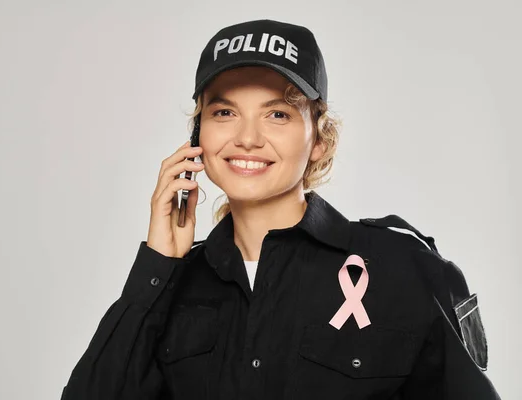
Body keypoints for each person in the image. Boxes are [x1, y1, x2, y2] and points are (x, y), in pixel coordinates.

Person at [60, 19, 501, 399]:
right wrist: (157, 265)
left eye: (277, 115)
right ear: (198, 136)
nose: (247, 138)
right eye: (224, 112)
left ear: (319, 141)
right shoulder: (169, 287)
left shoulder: (408, 271)